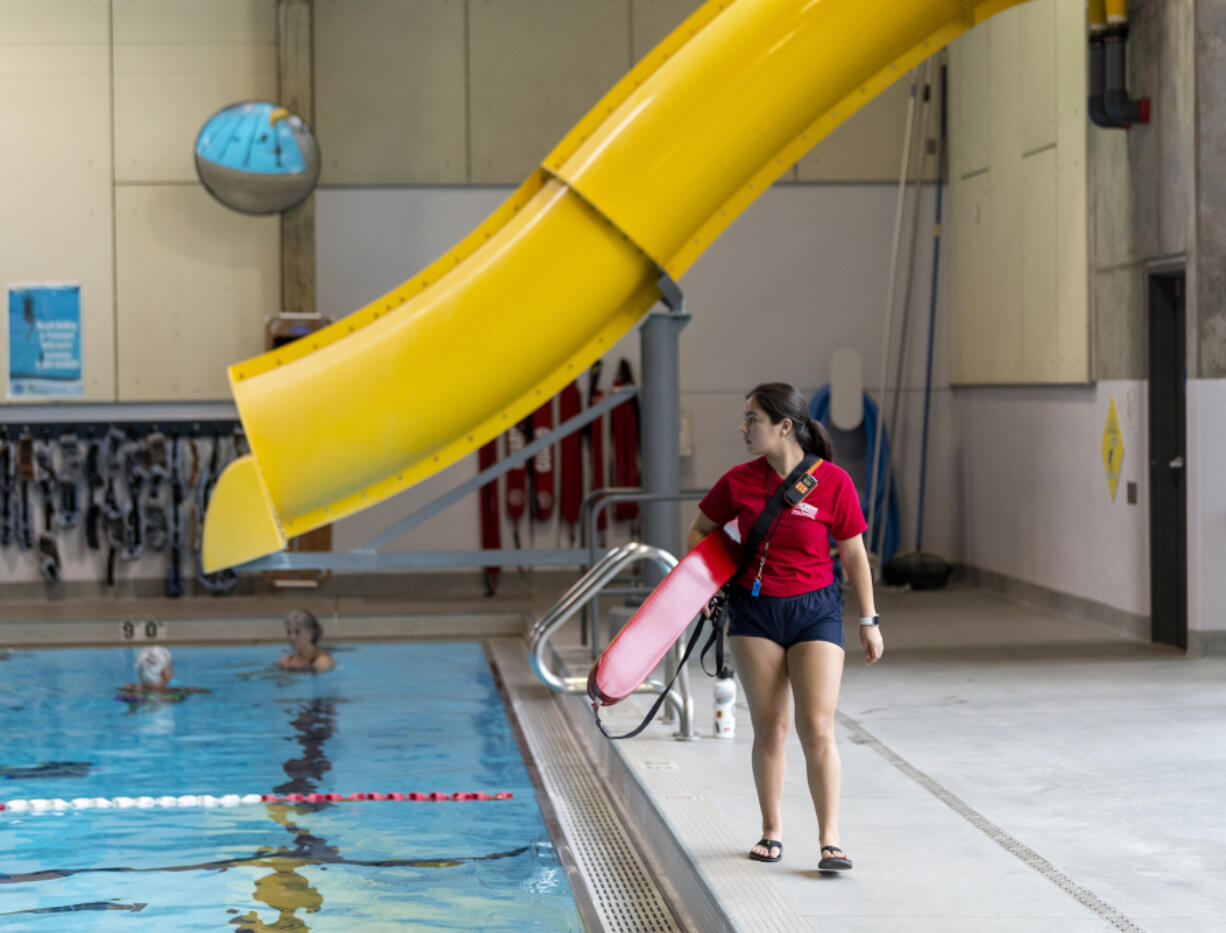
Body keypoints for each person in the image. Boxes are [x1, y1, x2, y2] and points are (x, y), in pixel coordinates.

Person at [686, 382, 883, 872]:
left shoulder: (833, 482)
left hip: (816, 609)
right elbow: (700, 533)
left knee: (816, 726)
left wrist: (868, 619)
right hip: (755, 612)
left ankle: (830, 839)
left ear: (784, 426)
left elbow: (854, 553)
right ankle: (772, 831)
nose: (744, 427)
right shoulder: (738, 482)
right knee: (770, 728)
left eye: (752, 418)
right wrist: (707, 585)